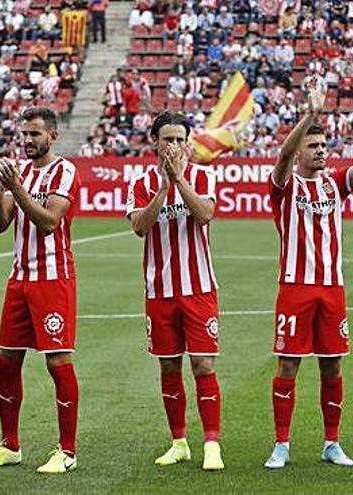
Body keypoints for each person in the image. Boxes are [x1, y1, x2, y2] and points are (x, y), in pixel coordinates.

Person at [264, 79, 353, 469]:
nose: (321, 151)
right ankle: (281, 444)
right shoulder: (284, 186)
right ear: (301, 150)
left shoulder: (335, 185)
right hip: (295, 288)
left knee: (332, 364)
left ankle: (331, 443)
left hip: (332, 290)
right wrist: (311, 115)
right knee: (289, 365)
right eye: (314, 146)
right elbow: (283, 155)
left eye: (324, 146)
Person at [0, 107, 81, 474]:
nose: (28, 140)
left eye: (35, 134)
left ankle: (67, 451)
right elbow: (0, 225)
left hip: (53, 279)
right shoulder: (19, 174)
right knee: (6, 360)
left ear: (52, 136)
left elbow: (50, 221)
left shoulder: (64, 171)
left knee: (57, 362)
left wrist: (14, 187)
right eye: (25, 134)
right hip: (19, 278)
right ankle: (10, 445)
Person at [125, 111, 224, 471]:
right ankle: (179, 441)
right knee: (168, 365)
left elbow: (204, 214)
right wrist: (164, 187)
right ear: (155, 142)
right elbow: (140, 226)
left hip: (198, 288)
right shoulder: (139, 183)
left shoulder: (203, 176)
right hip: (160, 290)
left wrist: (179, 180)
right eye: (168, 139)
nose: (175, 146)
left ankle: (211, 442)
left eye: (181, 139)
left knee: (202, 364)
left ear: (189, 142)